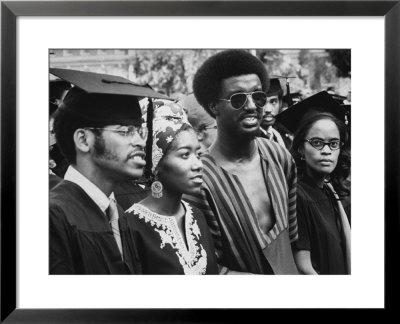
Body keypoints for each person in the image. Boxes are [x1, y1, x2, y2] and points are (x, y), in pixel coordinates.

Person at [183, 50, 299, 274]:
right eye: (237, 98)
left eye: (258, 96)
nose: (251, 105)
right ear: (214, 106)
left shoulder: (279, 157)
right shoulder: (198, 180)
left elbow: (294, 239)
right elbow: (208, 268)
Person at [49, 68, 169, 274]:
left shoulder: (118, 215)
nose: (140, 142)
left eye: (140, 132)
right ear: (84, 140)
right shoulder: (52, 216)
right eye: (124, 132)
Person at [125, 105, 218, 274]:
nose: (198, 165)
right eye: (185, 155)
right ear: (156, 163)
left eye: (198, 154)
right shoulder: (131, 226)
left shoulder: (197, 215)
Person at [277, 91, 351, 274]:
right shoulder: (297, 195)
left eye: (333, 143)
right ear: (301, 147)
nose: (326, 151)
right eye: (317, 143)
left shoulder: (330, 191)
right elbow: (304, 266)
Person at [259, 78, 292, 148]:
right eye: (262, 102)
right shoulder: (248, 141)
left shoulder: (284, 138)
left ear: (280, 104)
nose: (268, 110)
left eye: (273, 102)